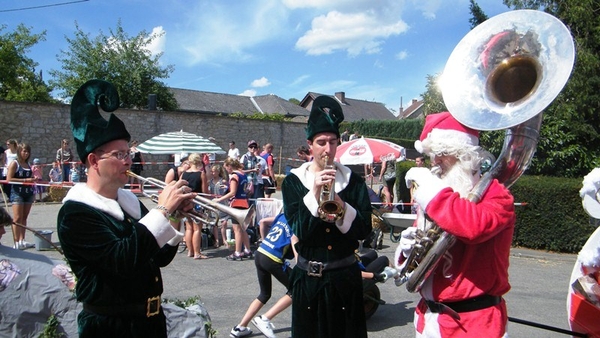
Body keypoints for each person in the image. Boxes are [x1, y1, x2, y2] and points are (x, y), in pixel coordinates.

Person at [57, 79, 195, 338]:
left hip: (150, 323)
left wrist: (175, 215)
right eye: (119, 155)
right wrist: (163, 209)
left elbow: (160, 257)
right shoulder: (75, 213)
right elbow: (122, 259)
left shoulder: (129, 203)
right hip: (110, 328)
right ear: (94, 160)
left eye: (128, 153)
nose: (128, 161)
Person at [396, 111, 515, 337]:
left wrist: (432, 193)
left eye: (442, 153)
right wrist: (407, 250)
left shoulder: (496, 195)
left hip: (473, 325)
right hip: (428, 319)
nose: (435, 161)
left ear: (465, 155)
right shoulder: (438, 198)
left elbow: (473, 227)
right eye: (432, 154)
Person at [281, 96, 372, 338]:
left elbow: (364, 231)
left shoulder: (354, 181)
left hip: (345, 279)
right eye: (321, 142)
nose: (327, 149)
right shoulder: (294, 181)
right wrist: (313, 194)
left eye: (333, 142)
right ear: (310, 145)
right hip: (309, 281)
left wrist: (341, 206)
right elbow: (299, 228)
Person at [230, 213, 298, 338]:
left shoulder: (283, 215)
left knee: (264, 294)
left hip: (261, 252)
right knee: (298, 289)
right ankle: (265, 318)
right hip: (272, 258)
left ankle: (240, 327)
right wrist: (299, 264)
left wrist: (264, 239)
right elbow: (294, 240)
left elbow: (263, 222)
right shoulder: (298, 221)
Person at [215, 158, 253, 261]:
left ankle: (237, 252)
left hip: (236, 203)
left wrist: (219, 200)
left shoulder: (234, 176)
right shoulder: (243, 174)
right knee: (243, 228)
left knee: (237, 230)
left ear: (230, 166)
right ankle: (247, 250)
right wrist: (227, 185)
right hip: (244, 202)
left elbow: (232, 192)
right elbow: (242, 188)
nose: (226, 170)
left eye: (226, 168)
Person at [7, 142, 37, 250]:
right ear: (20, 151)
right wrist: (25, 180)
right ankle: (16, 242)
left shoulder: (28, 165)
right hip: (17, 193)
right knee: (17, 217)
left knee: (24, 217)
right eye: (24, 151)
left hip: (28, 193)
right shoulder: (15, 163)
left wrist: (33, 179)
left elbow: (30, 177)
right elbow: (9, 179)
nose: (26, 153)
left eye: (27, 152)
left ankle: (22, 240)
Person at [182, 153, 209, 260]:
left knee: (188, 228)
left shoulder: (183, 173)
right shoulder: (201, 173)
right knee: (197, 229)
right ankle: (197, 253)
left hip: (185, 202)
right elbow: (204, 192)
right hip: (197, 203)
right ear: (199, 162)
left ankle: (190, 251)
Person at [208, 164, 229, 248]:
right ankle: (216, 240)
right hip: (214, 202)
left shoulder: (222, 181)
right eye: (211, 171)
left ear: (218, 172)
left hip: (222, 202)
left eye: (214, 171)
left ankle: (224, 239)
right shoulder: (210, 182)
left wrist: (226, 188)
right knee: (215, 223)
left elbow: (228, 191)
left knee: (224, 223)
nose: (212, 173)